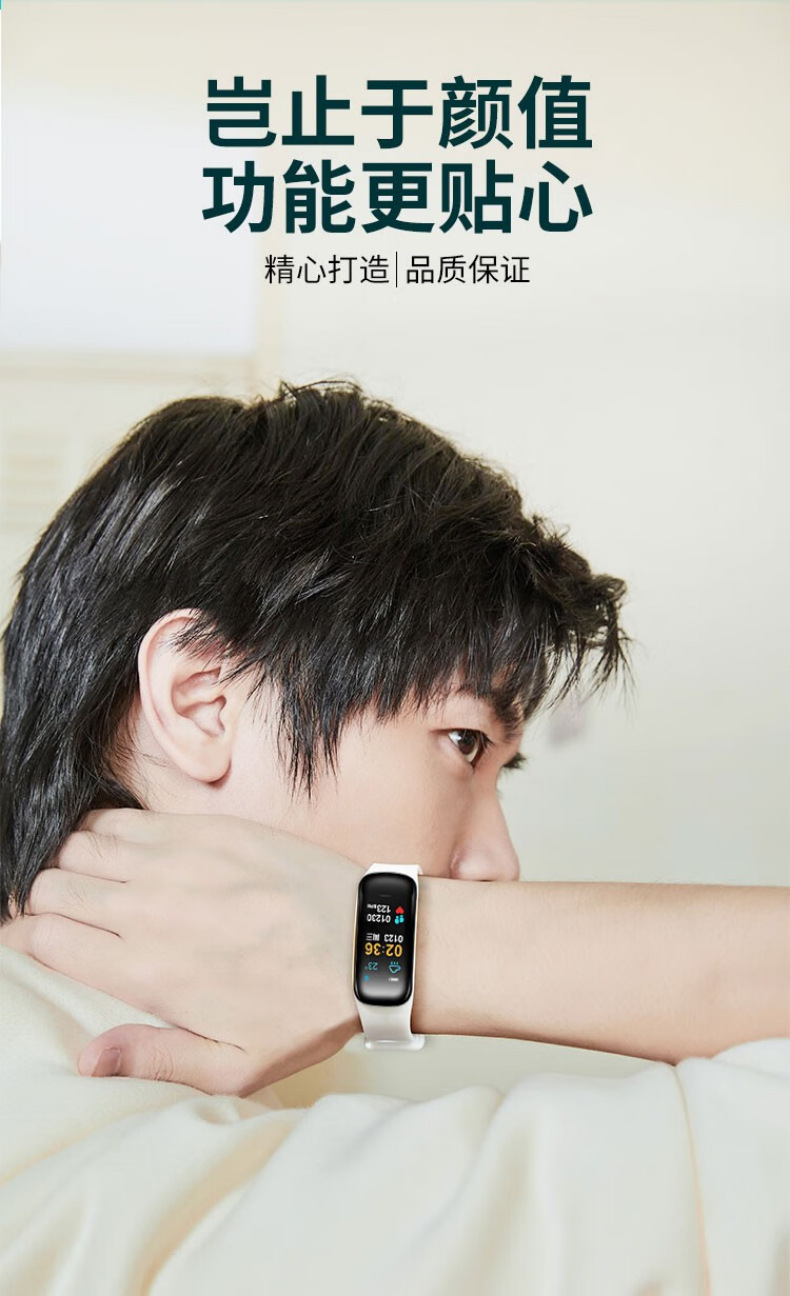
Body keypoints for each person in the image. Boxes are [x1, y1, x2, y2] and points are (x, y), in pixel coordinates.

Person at [0, 380, 787, 1294]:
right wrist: (397, 943)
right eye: (464, 743)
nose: (496, 865)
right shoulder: (145, 1180)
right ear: (204, 698)